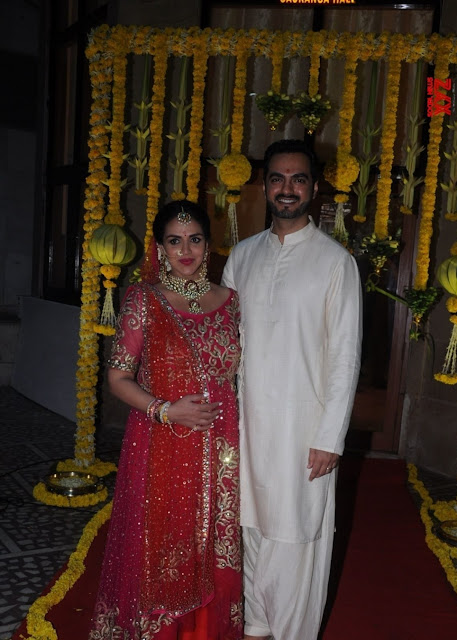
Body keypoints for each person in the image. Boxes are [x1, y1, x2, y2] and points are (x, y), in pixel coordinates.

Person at [222, 139, 362, 640]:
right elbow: (225, 343)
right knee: (249, 524)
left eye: (298, 179)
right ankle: (257, 623)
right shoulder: (241, 256)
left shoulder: (335, 262)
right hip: (246, 422)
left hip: (304, 428)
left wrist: (330, 437)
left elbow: (345, 356)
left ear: (314, 188)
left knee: (297, 534)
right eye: (278, 179)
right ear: (264, 186)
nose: (287, 188)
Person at [89, 200, 243, 640]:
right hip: (164, 446)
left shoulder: (231, 302)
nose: (185, 250)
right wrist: (166, 410)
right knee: (166, 547)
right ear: (160, 248)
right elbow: (118, 377)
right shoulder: (145, 299)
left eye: (194, 239)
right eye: (175, 241)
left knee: (215, 544)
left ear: (208, 245)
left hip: (223, 449)